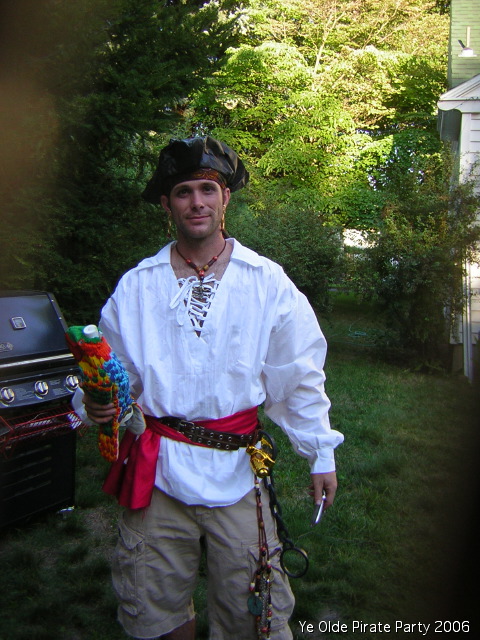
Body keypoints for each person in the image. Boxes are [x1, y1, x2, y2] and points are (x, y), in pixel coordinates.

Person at [73, 135, 344, 640]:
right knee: (155, 613)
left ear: (225, 199)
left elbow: (299, 375)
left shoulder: (266, 281)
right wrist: (98, 401)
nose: (196, 202)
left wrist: (319, 453)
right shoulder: (137, 286)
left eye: (207, 190)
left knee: (252, 615)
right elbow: (113, 375)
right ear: (167, 204)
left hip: (236, 472)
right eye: (183, 192)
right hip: (159, 474)